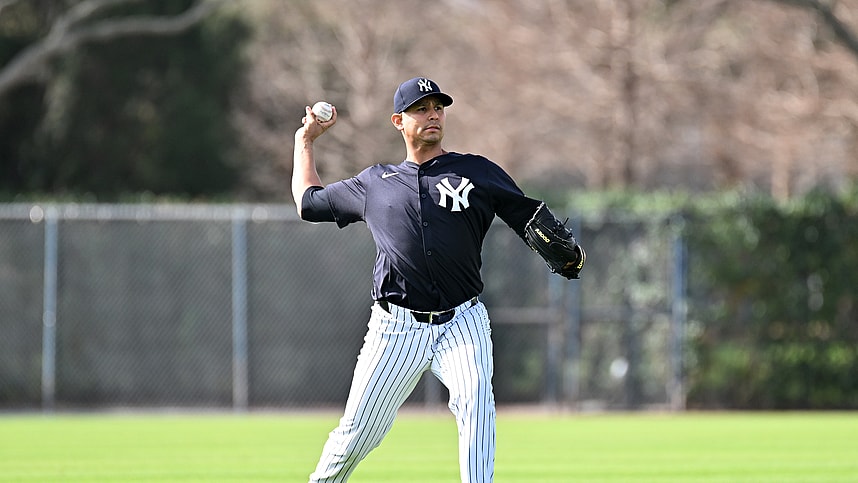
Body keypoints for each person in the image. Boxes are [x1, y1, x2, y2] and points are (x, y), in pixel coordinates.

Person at [292, 77, 584, 483]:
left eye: (438, 107)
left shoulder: (475, 171)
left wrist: (556, 245)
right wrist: (305, 142)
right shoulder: (374, 182)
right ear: (398, 121)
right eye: (421, 108)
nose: (433, 114)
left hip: (463, 322)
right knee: (357, 434)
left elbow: (526, 214)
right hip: (395, 328)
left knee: (477, 406)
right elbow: (308, 203)